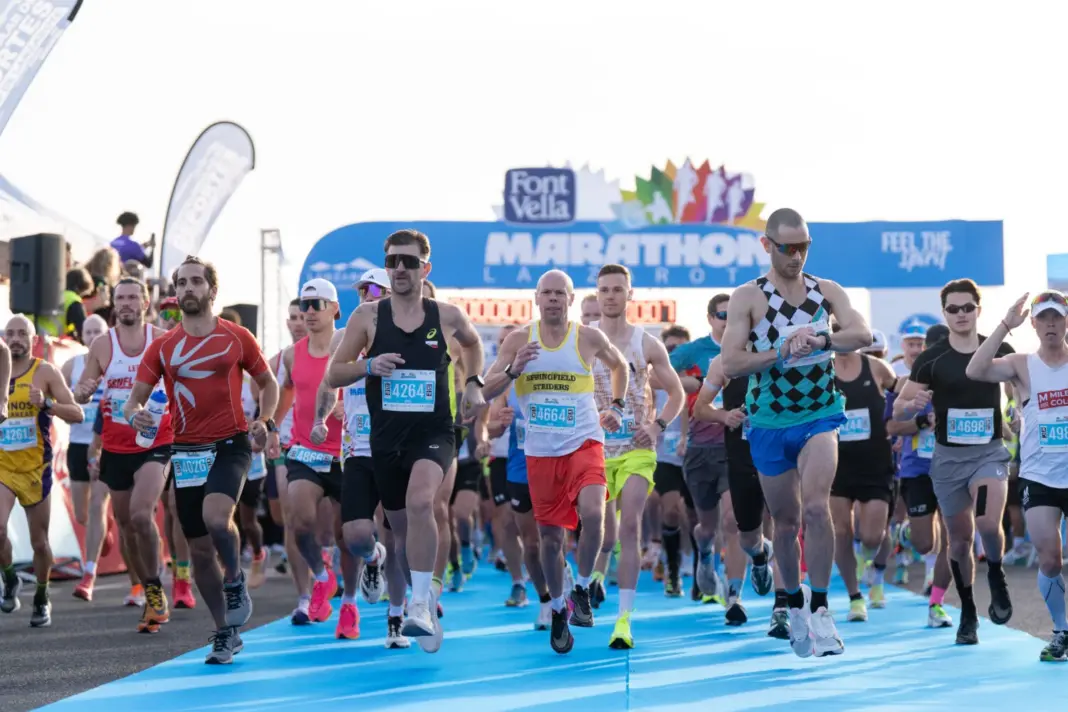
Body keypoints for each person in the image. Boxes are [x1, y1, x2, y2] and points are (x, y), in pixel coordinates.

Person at [326, 229, 486, 654]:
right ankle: (414, 595)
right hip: (386, 437)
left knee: (421, 502)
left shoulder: (446, 315)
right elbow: (333, 375)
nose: (400, 268)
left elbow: (473, 345)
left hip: (434, 433)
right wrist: (368, 365)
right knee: (397, 534)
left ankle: (420, 603)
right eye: (393, 261)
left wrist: (472, 382)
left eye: (409, 262)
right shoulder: (367, 317)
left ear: (425, 269)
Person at [722, 207, 872, 658]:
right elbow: (731, 363)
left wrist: (824, 341)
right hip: (768, 421)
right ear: (767, 245)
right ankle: (792, 602)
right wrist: (778, 352)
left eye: (804, 247)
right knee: (784, 524)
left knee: (815, 508)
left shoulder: (825, 291)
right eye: (788, 247)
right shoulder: (749, 296)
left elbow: (861, 333)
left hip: (819, 414)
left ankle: (823, 609)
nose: (797, 256)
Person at [123, 256, 279, 664]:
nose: (188, 288)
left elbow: (268, 382)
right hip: (187, 450)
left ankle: (236, 579)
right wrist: (134, 412)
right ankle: (225, 631)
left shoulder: (236, 336)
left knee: (216, 519)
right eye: (182, 282)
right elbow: (135, 397)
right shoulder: (164, 346)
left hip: (231, 443)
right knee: (198, 551)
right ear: (176, 292)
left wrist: (265, 419)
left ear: (212, 289)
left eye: (196, 281)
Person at [484, 269, 630, 654]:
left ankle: (581, 587)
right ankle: (556, 607)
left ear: (570, 298)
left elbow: (620, 367)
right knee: (550, 539)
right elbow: (487, 387)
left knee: (594, 514)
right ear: (536, 298)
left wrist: (616, 405)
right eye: (545, 293)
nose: (552, 299)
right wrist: (515, 368)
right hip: (541, 451)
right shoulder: (519, 339)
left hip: (584, 440)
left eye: (559, 293)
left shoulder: (587, 337)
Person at [894, 278, 1014, 646]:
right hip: (947, 460)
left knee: (987, 523)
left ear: (979, 310)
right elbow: (900, 403)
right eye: (953, 309)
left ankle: (996, 571)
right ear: (944, 313)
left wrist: (1020, 414)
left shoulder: (999, 348)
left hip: (988, 453)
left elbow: (1020, 391)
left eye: (967, 307)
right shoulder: (932, 358)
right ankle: (967, 612)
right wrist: (909, 405)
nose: (961, 314)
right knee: (959, 541)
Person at [965, 290, 1068, 661]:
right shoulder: (1021, 364)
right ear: (1034, 323)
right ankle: (1061, 632)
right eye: (1044, 318)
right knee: (1050, 559)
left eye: (1058, 316)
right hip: (1040, 477)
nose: (1051, 324)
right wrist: (1006, 323)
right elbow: (975, 370)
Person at [73, 278, 176, 633]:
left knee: (140, 512)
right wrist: (83, 391)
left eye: (134, 297)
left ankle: (157, 587)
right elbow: (84, 390)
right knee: (128, 525)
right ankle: (149, 587)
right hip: (116, 446)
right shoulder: (102, 344)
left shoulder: (161, 340)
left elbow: (179, 385)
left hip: (155, 441)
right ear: (114, 304)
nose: (128, 303)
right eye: (121, 298)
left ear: (146, 302)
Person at [590, 264, 684, 649]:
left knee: (629, 526)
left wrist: (658, 426)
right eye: (604, 290)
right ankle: (593, 579)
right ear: (596, 296)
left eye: (618, 289)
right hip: (592, 449)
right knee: (594, 528)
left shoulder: (647, 343)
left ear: (630, 296)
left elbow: (676, 394)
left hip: (635, 451)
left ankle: (623, 620)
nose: (611, 295)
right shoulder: (583, 340)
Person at [282, 278, 362, 639]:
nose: (308, 311)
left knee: (348, 537)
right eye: (304, 304)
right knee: (299, 521)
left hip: (347, 453)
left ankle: (349, 604)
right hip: (305, 450)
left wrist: (352, 406)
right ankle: (322, 576)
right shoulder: (290, 354)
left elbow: (374, 384)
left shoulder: (353, 348)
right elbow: (278, 391)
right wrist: (267, 425)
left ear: (335, 310)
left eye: (317, 304)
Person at [333, 268, 403, 647]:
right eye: (362, 289)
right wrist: (324, 414)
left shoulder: (402, 336)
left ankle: (397, 617)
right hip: (357, 451)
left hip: (395, 450)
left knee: (399, 538)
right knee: (357, 537)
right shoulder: (344, 338)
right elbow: (332, 380)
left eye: (375, 290)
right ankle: (371, 560)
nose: (367, 295)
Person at [0, 315, 80, 627]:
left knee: (39, 543)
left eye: (22, 333)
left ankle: (42, 595)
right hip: (4, 467)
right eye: (10, 333)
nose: (16, 338)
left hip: (36, 468)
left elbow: (75, 413)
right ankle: (10, 580)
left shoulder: (44, 371)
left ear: (33, 340)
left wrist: (46, 403)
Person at [826, 320, 899, 621]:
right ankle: (855, 597)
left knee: (872, 536)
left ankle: (871, 559)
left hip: (874, 464)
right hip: (834, 464)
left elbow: (904, 395)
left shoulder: (877, 368)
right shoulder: (822, 370)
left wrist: (901, 425)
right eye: (837, 331)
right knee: (841, 532)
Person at [885, 324, 954, 629]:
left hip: (954, 468)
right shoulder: (906, 384)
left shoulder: (959, 382)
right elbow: (892, 428)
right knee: (924, 542)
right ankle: (905, 533)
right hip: (918, 470)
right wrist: (923, 421)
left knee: (955, 537)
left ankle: (937, 601)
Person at [63, 314, 111, 602]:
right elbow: (58, 399)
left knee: (97, 506)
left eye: (98, 331)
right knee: (82, 513)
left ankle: (88, 574)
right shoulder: (72, 365)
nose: (93, 335)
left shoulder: (113, 363)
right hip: (78, 443)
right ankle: (108, 530)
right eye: (88, 331)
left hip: (106, 444)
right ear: (82, 335)